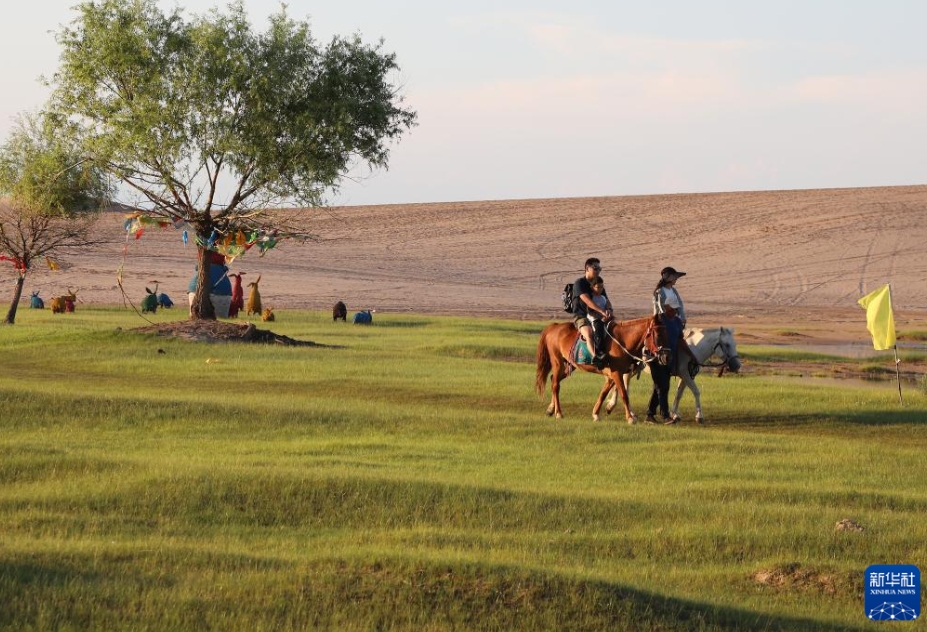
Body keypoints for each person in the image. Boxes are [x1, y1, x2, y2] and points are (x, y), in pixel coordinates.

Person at [647, 266, 687, 423]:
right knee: (662, 385)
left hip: (673, 323)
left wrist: (681, 318)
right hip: (662, 327)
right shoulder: (659, 292)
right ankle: (664, 415)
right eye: (674, 276)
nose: (676, 279)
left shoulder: (674, 292)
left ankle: (650, 414)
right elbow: (658, 309)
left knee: (662, 385)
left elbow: (680, 306)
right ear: (668, 277)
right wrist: (666, 319)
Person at [573, 258, 613, 368]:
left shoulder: (598, 283)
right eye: (595, 268)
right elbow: (587, 301)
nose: (598, 270)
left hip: (599, 316)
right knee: (589, 332)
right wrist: (601, 311)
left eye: (599, 268)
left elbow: (606, 300)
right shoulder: (579, 283)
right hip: (582, 317)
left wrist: (609, 310)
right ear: (587, 268)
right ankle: (596, 357)